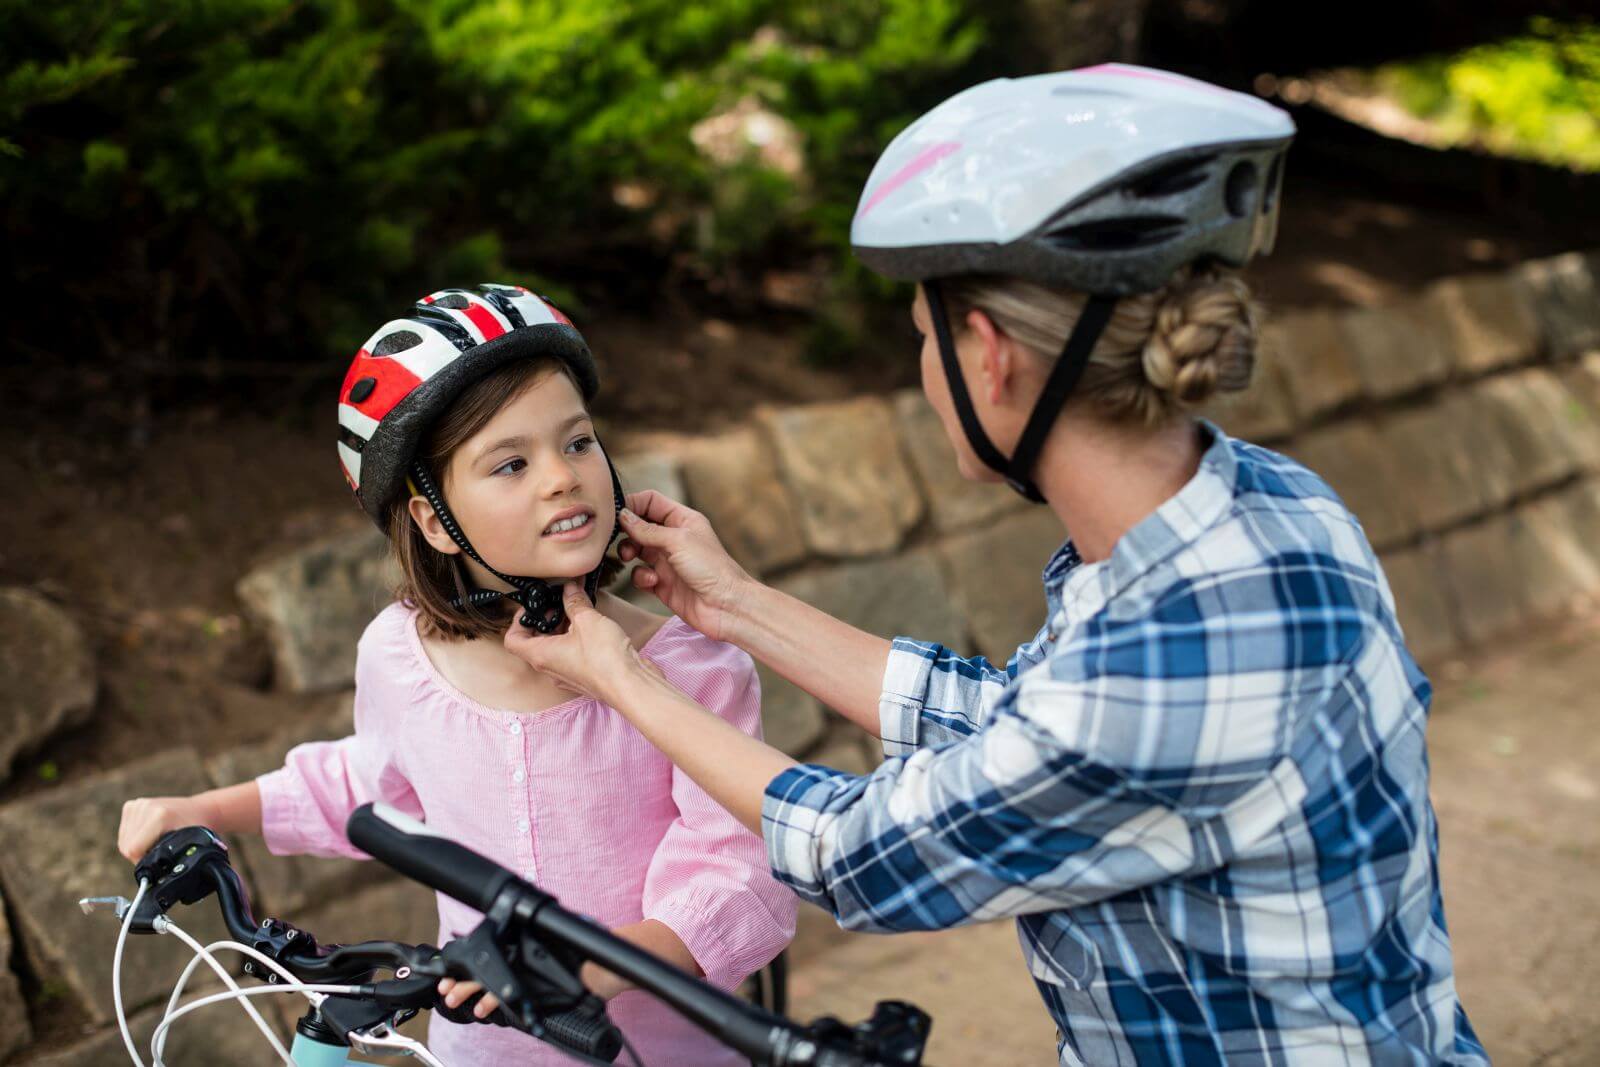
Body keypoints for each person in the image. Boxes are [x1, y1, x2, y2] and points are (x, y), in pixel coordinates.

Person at [501, 67, 1488, 1065]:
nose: (924, 373)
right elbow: (1019, 727)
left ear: (988, 356)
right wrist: (737, 605)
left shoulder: (1172, 652)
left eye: (924, 339)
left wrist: (621, 676)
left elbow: (860, 853)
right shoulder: (1265, 506)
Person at [117, 284, 796, 1065]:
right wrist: (195, 807)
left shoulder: (689, 668)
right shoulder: (402, 655)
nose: (561, 477)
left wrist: (586, 965)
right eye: (510, 462)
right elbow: (362, 785)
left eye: (577, 443)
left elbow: (739, 876)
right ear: (435, 519)